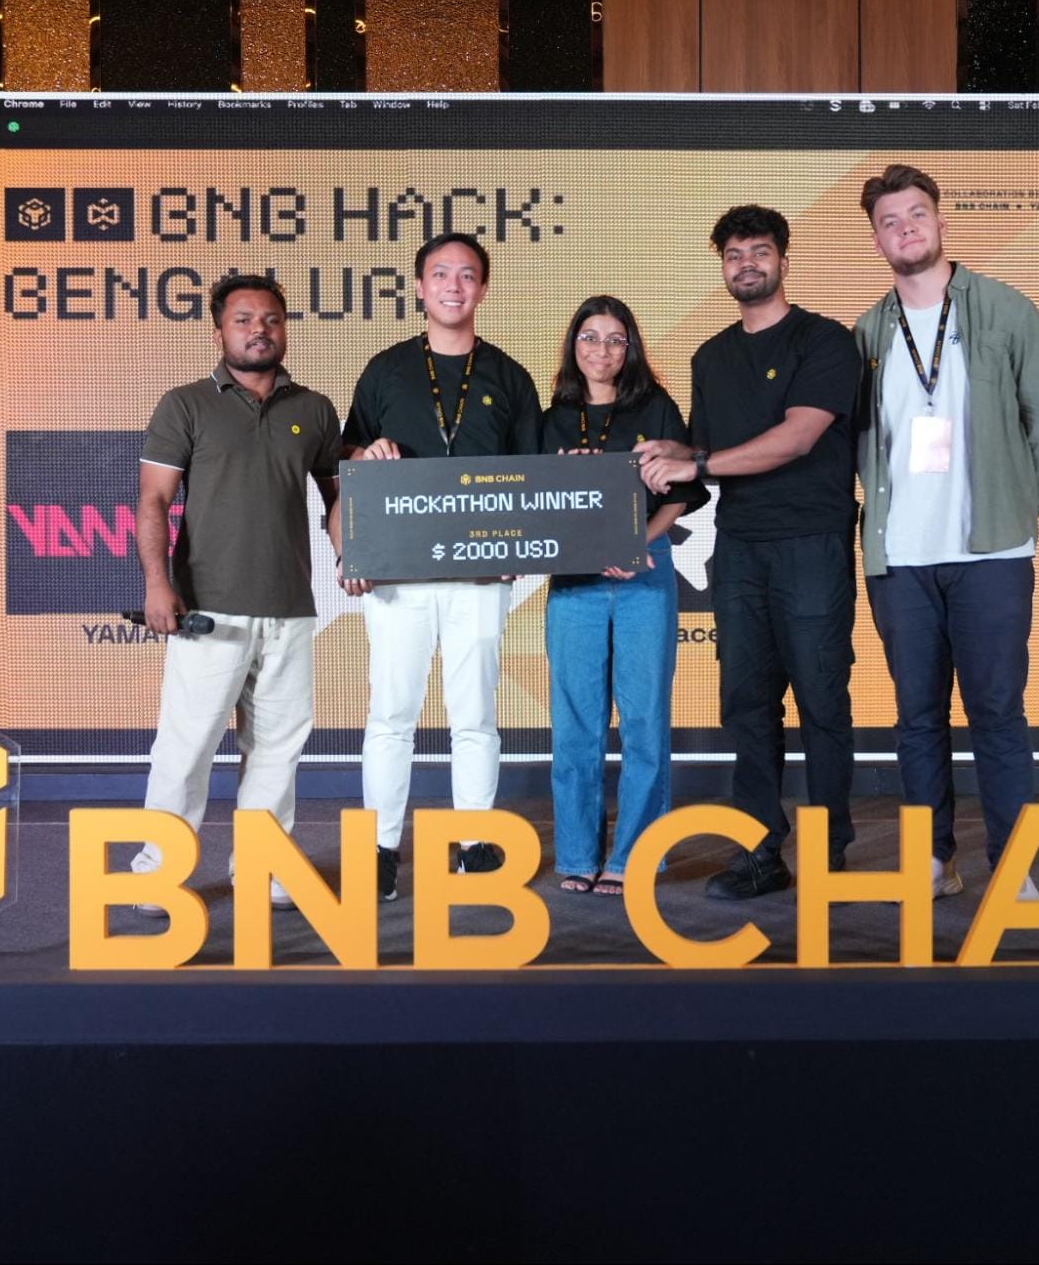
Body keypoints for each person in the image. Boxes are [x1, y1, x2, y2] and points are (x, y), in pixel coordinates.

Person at [852, 163, 1039, 901]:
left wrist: (1017, 503)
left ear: (940, 221)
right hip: (899, 558)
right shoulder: (866, 332)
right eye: (889, 222)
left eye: (916, 214)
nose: (905, 229)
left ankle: (1011, 865)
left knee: (997, 713)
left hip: (991, 553)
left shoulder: (1007, 309)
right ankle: (931, 860)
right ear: (876, 240)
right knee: (916, 718)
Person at [639, 206, 861, 900]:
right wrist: (670, 453)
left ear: (783, 260)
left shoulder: (825, 341)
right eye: (733, 255)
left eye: (759, 252)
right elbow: (711, 454)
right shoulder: (710, 357)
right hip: (739, 547)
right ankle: (761, 848)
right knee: (745, 701)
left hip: (811, 543)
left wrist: (697, 461)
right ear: (722, 268)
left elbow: (797, 437)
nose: (746, 265)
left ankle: (829, 848)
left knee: (821, 697)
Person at [337, 232, 543, 902]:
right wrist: (365, 460)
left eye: (467, 275)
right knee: (390, 714)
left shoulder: (509, 377)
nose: (454, 286)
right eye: (441, 274)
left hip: (479, 576)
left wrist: (516, 549)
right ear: (420, 287)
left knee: (475, 714)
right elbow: (347, 465)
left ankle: (475, 842)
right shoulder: (386, 370)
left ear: (483, 288)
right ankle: (380, 849)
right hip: (397, 576)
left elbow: (531, 477)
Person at [133, 273, 343, 910]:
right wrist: (157, 584)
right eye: (244, 319)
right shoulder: (186, 404)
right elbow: (153, 500)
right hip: (207, 609)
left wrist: (353, 556)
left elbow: (339, 500)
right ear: (219, 330)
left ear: (286, 329)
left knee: (278, 749)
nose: (259, 330)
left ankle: (264, 866)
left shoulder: (314, 409)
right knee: (187, 746)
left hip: (290, 608)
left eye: (272, 319)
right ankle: (157, 871)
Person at [540, 297, 706, 895]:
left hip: (645, 576)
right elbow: (534, 503)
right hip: (575, 583)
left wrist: (638, 542)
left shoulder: (656, 408)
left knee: (643, 721)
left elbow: (683, 493)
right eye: (590, 336)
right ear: (573, 345)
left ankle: (636, 854)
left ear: (630, 348)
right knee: (575, 724)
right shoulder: (552, 419)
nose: (601, 350)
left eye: (615, 339)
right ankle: (577, 853)